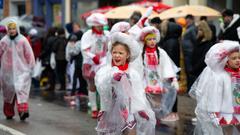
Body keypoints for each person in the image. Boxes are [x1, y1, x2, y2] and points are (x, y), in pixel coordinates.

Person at [95, 32, 156, 135]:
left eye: (120, 53)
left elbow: (137, 93)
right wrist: (111, 78)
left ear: (127, 55)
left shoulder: (133, 73)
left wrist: (141, 109)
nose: (117, 55)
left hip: (128, 111)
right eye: (114, 52)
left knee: (131, 132)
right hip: (110, 111)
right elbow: (101, 86)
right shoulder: (106, 71)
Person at [189, 40, 240, 135]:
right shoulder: (221, 76)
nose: (238, 60)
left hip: (238, 107)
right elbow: (215, 95)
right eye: (234, 58)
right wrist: (214, 114)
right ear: (226, 61)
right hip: (226, 110)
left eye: (239, 58)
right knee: (227, 130)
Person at [138, 26, 179, 122]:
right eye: (149, 39)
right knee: (147, 102)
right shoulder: (141, 53)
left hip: (158, 82)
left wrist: (173, 79)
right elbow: (138, 68)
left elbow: (167, 65)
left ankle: (156, 119)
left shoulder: (161, 52)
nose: (152, 41)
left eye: (153, 39)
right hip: (146, 81)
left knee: (157, 103)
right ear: (145, 41)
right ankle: (150, 119)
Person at [0, 17, 35, 121]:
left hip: (22, 71)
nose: (11, 31)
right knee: (8, 92)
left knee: (21, 91)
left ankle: (23, 112)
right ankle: (9, 113)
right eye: (10, 29)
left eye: (13, 28)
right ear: (7, 29)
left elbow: (29, 54)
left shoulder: (23, 40)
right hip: (7, 72)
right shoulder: (4, 41)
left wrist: (31, 67)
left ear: (17, 29)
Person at [81, 13, 109, 118]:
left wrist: (105, 59)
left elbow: (109, 47)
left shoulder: (106, 34)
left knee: (103, 86)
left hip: (103, 63)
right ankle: (93, 108)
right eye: (98, 25)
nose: (101, 27)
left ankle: (102, 108)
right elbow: (84, 49)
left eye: (102, 26)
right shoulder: (88, 34)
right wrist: (93, 57)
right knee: (92, 86)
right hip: (90, 64)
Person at [182, 14, 197, 91]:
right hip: (186, 52)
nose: (186, 21)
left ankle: (191, 89)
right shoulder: (188, 28)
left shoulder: (193, 28)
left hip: (190, 52)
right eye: (186, 19)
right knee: (187, 71)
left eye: (188, 19)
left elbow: (195, 40)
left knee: (190, 71)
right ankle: (189, 88)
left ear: (191, 20)